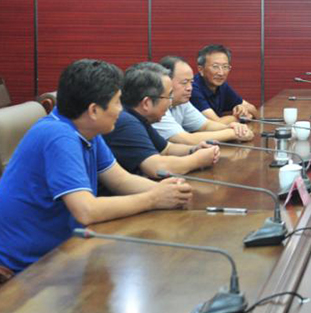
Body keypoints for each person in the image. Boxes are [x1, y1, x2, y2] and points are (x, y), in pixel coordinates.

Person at [0, 59, 192, 280]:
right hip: (25, 268)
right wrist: (153, 199)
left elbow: (120, 180)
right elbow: (86, 210)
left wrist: (168, 190)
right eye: (117, 102)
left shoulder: (86, 130)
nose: (121, 110)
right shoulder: (59, 136)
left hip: (62, 252)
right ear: (93, 110)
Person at [103, 62, 220, 178]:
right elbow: (156, 167)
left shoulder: (140, 117)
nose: (170, 102)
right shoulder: (127, 123)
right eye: (169, 96)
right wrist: (198, 160)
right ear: (146, 103)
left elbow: (167, 149)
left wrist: (194, 149)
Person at [153, 56, 254, 145]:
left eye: (191, 82)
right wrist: (233, 133)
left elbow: (206, 125)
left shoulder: (181, 103)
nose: (190, 88)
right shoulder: (156, 105)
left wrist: (232, 127)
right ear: (166, 82)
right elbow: (187, 139)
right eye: (184, 82)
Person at [190, 44, 258, 124]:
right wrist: (240, 117)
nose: (221, 73)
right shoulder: (192, 88)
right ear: (201, 69)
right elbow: (216, 123)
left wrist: (241, 109)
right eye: (215, 66)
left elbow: (253, 109)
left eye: (225, 67)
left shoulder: (222, 85)